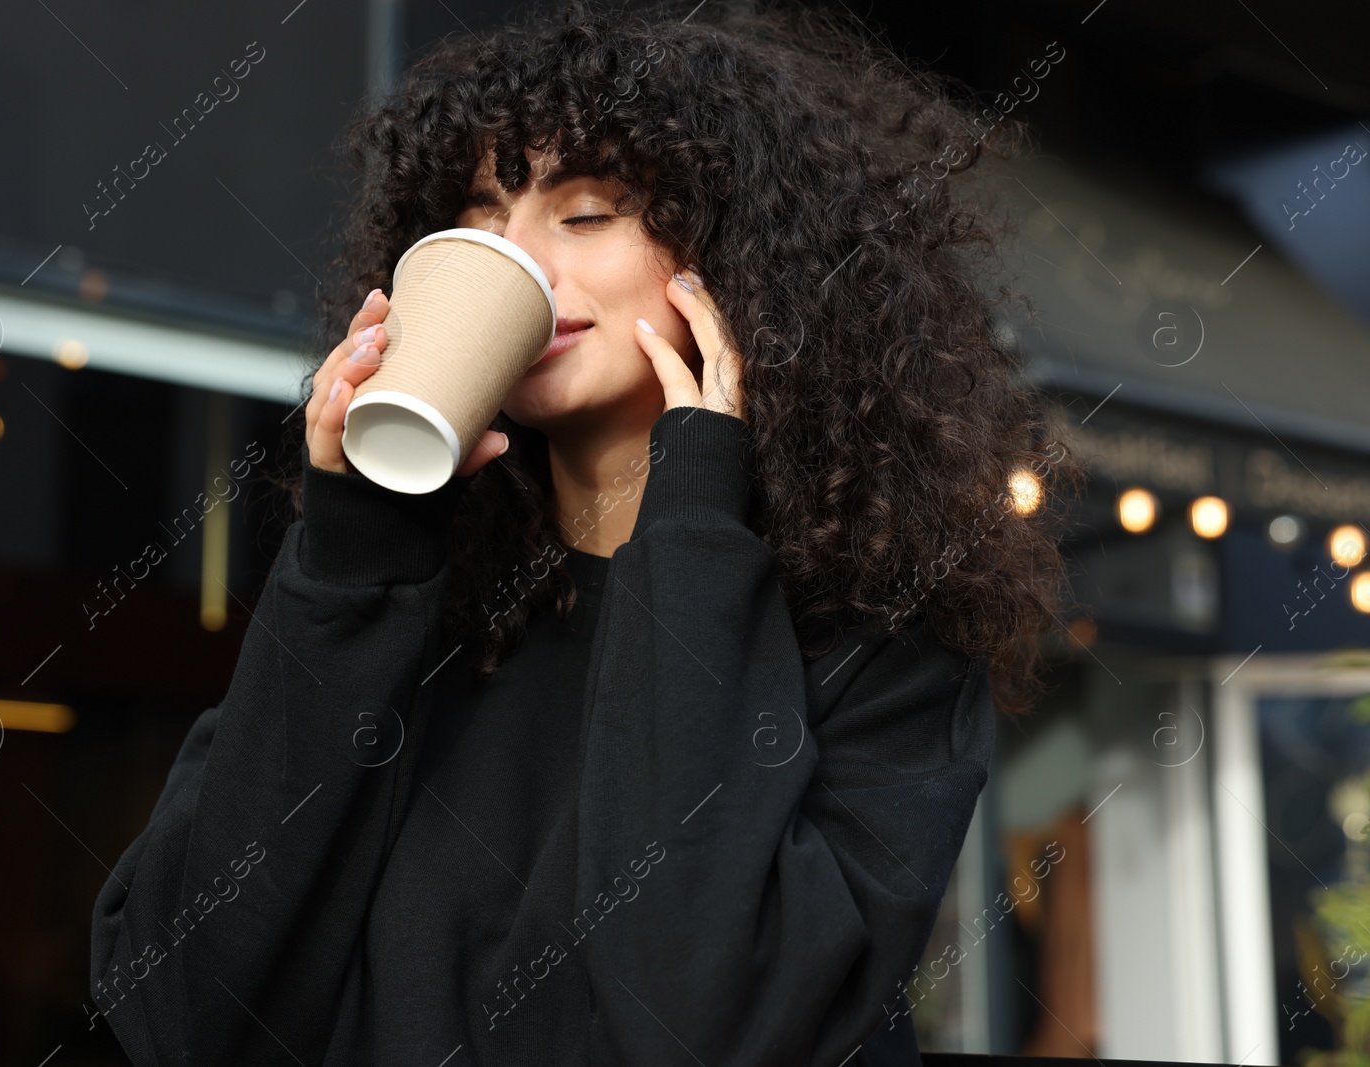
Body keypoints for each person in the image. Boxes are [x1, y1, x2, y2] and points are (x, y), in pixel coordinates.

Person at [90, 2, 1074, 1064]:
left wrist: (693, 517)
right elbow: (177, 1009)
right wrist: (352, 553)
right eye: (479, 210)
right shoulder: (405, 603)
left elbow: (709, 1023)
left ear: (737, 255)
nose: (515, 258)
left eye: (588, 212)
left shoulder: (874, 646)